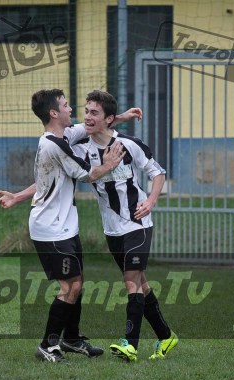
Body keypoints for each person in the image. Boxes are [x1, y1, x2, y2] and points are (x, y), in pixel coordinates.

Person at [0, 89, 142, 363]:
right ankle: (48, 345)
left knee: (77, 283)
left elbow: (87, 129)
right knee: (70, 287)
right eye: (65, 105)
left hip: (65, 226)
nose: (71, 109)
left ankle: (72, 339)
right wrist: (110, 163)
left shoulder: (62, 136)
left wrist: (119, 117)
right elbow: (90, 174)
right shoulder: (55, 146)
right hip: (50, 229)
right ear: (54, 113)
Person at [72, 90, 177, 362]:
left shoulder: (129, 144)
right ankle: (166, 336)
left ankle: (130, 344)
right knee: (141, 283)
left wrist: (151, 201)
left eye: (94, 112)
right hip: (112, 228)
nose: (87, 116)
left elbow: (158, 173)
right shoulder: (81, 147)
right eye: (86, 111)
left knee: (131, 281)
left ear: (107, 118)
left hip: (138, 222)